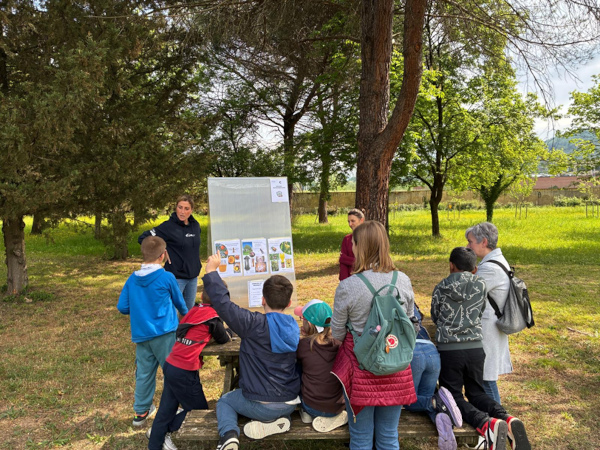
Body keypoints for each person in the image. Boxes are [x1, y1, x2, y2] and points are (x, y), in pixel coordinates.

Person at [330, 220, 419, 450]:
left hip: (360, 370)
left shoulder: (348, 286)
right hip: (395, 364)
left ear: (361, 247)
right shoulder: (403, 280)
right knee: (389, 436)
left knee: (360, 437)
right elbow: (409, 321)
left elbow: (337, 334)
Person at [431, 247, 530, 450]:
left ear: (451, 265)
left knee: (453, 396)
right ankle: (507, 418)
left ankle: (486, 423)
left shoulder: (442, 286)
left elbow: (435, 314)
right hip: (476, 347)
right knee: (477, 392)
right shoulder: (481, 285)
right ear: (474, 268)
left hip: (450, 350)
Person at [203, 254, 301, 450]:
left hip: (262, 404)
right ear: (289, 303)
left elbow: (224, 305)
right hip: (291, 402)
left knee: (225, 401)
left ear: (262, 299)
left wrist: (211, 271)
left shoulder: (253, 324)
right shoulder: (294, 326)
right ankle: (275, 423)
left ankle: (229, 436)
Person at [146, 285, 233, 450]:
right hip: (184, 371)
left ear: (201, 296)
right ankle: (165, 431)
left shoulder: (193, 311)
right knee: (199, 412)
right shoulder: (213, 318)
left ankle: (155, 441)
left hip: (171, 364)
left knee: (167, 408)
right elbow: (224, 338)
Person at [117, 236, 188, 427]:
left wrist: (141, 307)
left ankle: (141, 412)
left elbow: (122, 307)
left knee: (144, 373)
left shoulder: (132, 279)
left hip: (142, 335)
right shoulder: (167, 277)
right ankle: (177, 407)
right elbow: (180, 303)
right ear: (163, 255)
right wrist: (189, 319)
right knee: (172, 371)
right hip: (165, 333)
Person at [465, 222, 512, 404]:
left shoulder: (490, 268)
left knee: (486, 380)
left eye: (470, 242)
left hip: (488, 329)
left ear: (483, 242)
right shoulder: (492, 262)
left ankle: (499, 421)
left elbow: (466, 292)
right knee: (484, 378)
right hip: (489, 326)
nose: (468, 246)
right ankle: (495, 422)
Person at [403, 304, 462, 450]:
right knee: (425, 396)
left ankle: (435, 401)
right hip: (432, 351)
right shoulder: (414, 311)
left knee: (409, 401)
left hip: (413, 352)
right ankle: (441, 418)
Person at [138, 194, 201, 310]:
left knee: (188, 312)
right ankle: (173, 329)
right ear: (176, 207)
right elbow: (143, 238)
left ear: (191, 210)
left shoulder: (195, 226)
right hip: (176, 278)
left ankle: (184, 329)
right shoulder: (168, 227)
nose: (182, 211)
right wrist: (161, 249)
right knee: (172, 311)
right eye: (180, 207)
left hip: (193, 277)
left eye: (186, 208)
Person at [294, 299, 347, 432]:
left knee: (299, 367)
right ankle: (333, 417)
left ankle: (307, 413)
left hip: (311, 405)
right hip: (337, 406)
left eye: (302, 319)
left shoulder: (304, 345)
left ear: (308, 323)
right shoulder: (339, 343)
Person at [339, 208, 365, 281]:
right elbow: (342, 263)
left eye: (353, 221)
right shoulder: (347, 239)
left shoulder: (369, 238)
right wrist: (344, 282)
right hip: (349, 280)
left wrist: (345, 259)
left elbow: (367, 264)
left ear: (361, 220)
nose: (350, 224)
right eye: (348, 221)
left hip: (366, 280)